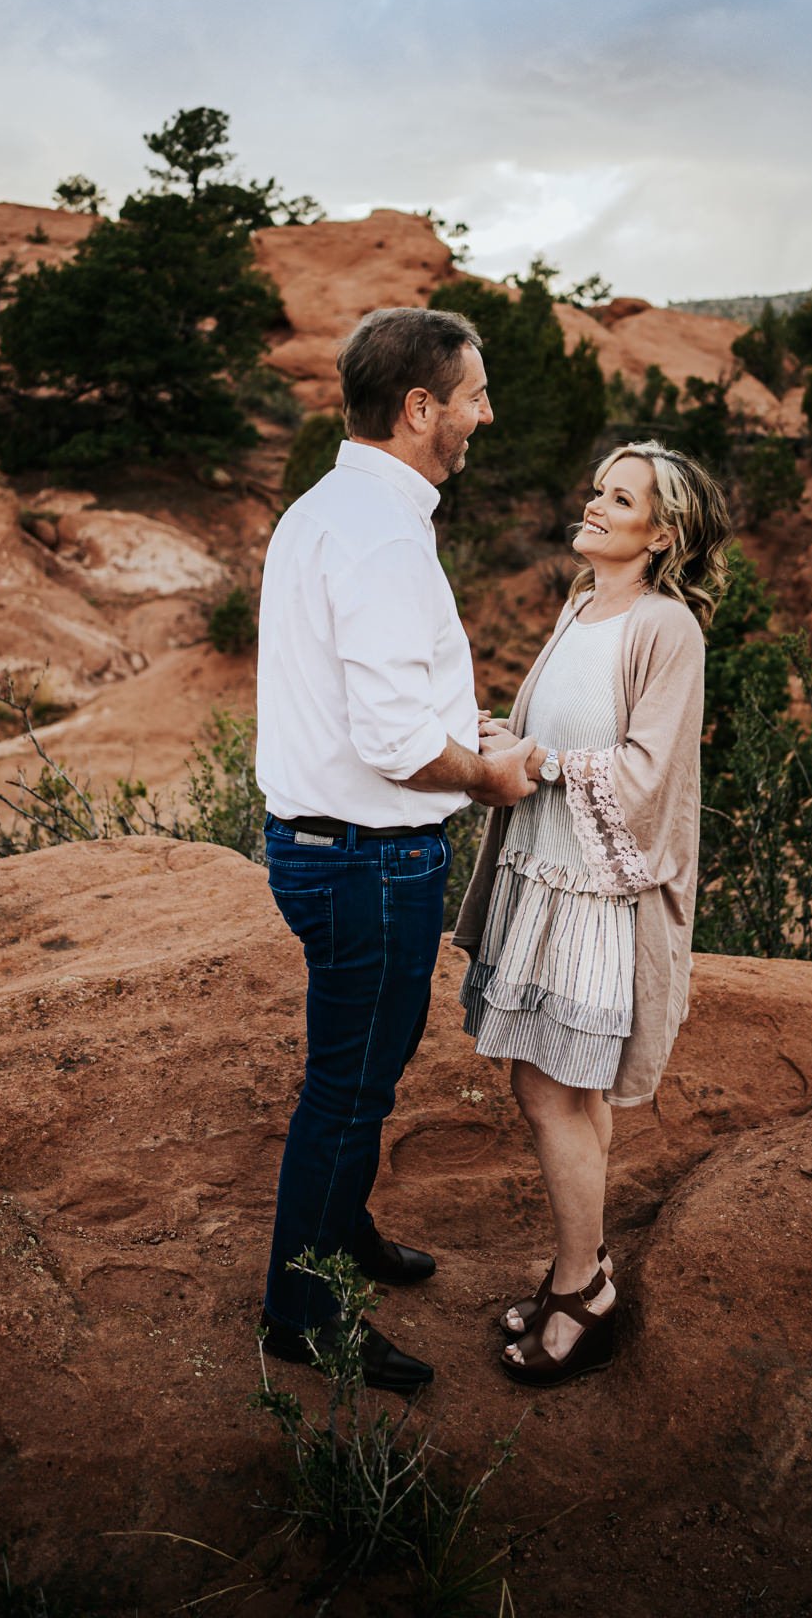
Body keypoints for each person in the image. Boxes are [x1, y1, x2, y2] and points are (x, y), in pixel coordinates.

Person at [257, 305, 539, 1392]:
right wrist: (486, 772)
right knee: (351, 1087)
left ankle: (343, 1226)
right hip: (371, 859)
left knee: (357, 1071)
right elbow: (385, 741)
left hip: (326, 843)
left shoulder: (329, 507)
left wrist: (452, 726)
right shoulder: (378, 529)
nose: (485, 412)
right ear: (418, 407)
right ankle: (305, 1309)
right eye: (472, 394)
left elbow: (358, 695)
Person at [455, 440, 731, 1386]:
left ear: (661, 535)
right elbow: (555, 730)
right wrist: (508, 740)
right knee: (559, 1091)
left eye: (621, 500)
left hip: (594, 901)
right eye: (598, 490)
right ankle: (586, 1267)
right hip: (540, 874)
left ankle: (580, 1292)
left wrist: (540, 763)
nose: (595, 506)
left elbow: (650, 778)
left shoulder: (667, 631)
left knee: (549, 1093)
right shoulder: (580, 606)